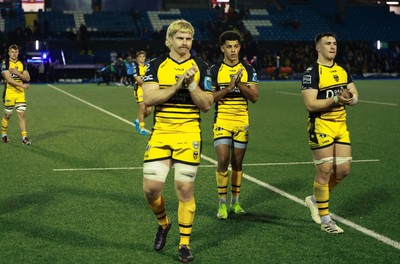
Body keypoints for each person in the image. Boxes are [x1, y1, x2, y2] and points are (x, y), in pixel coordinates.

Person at [141, 19, 213, 263]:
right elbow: (150, 98)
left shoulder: (202, 66)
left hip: (189, 134)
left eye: (188, 39)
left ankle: (184, 244)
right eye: (180, 38)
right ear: (169, 40)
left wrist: (192, 83)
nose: (185, 43)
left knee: (184, 189)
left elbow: (205, 105)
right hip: (161, 133)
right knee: (151, 190)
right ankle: (164, 223)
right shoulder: (155, 65)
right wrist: (177, 83)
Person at [301, 32, 359, 234]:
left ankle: (315, 199)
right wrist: (335, 100)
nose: (332, 47)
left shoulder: (342, 69)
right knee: (324, 171)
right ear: (318, 48)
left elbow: (354, 92)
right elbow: (310, 103)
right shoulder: (312, 72)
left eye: (334, 43)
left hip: (340, 126)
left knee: (343, 171)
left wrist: (351, 98)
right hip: (321, 125)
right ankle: (326, 219)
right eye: (327, 43)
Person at [210, 30, 259, 220]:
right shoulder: (214, 70)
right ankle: (222, 205)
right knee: (223, 159)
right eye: (229, 46)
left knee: (237, 162)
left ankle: (235, 202)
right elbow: (209, 97)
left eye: (236, 46)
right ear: (222, 48)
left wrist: (240, 85)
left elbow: (254, 97)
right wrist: (229, 87)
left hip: (241, 121)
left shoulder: (248, 69)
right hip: (222, 119)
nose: (233, 50)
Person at [1, 44, 31, 145]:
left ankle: (24, 138)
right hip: (9, 92)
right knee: (8, 115)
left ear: (18, 53)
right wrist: (22, 85)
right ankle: (4, 135)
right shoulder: (4, 63)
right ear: (9, 53)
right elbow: (9, 80)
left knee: (21, 114)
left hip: (20, 94)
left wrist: (17, 73)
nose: (14, 54)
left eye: (16, 52)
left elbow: (27, 78)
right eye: (12, 52)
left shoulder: (22, 63)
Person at [133, 51, 152, 135]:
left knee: (149, 110)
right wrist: (148, 84)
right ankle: (142, 128)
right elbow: (138, 80)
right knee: (142, 108)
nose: (142, 58)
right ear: (137, 58)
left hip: (147, 90)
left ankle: (137, 120)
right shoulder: (136, 67)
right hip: (139, 90)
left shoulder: (148, 67)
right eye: (140, 56)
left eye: (143, 56)